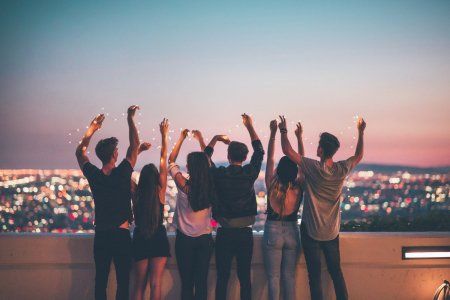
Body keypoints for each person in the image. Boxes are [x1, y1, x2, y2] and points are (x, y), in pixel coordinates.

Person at [279, 115, 366, 300]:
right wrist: (361, 131)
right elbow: (358, 156)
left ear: (320, 149)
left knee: (315, 277)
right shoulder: (342, 169)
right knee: (336, 273)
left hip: (311, 232)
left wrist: (283, 130)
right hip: (332, 232)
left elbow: (287, 150)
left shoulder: (313, 167)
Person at [75, 105, 141, 300]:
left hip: (102, 235)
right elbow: (135, 145)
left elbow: (80, 152)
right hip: (121, 235)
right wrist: (130, 118)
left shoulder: (95, 176)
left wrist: (92, 129)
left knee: (100, 282)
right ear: (114, 155)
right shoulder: (122, 173)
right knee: (123, 283)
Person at [204, 114, 265, 300]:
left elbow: (205, 158)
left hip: (224, 233)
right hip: (245, 233)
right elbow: (260, 151)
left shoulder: (220, 175)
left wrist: (215, 139)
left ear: (228, 156)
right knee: (245, 277)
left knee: (222, 277)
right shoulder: (249, 173)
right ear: (245, 157)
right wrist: (250, 126)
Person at [168, 129, 215, 300]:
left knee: (187, 284)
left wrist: (180, 138)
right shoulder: (210, 186)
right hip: (205, 240)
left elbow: (171, 160)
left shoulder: (183, 185)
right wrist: (202, 139)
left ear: (189, 167)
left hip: (184, 241)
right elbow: (208, 163)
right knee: (201, 282)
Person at [263, 120, 304, 300]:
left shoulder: (271, 184)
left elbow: (270, 158)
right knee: (289, 277)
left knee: (273, 278)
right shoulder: (299, 187)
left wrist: (273, 134)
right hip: (293, 231)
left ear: (279, 170)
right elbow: (303, 163)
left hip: (272, 230)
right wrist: (299, 137)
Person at [131, 118, 170, 300]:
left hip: (140, 236)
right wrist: (164, 135)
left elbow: (125, 169)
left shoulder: (136, 193)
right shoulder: (160, 192)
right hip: (158, 236)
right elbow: (164, 161)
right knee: (156, 284)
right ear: (156, 179)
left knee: (139, 285)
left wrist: (138, 151)